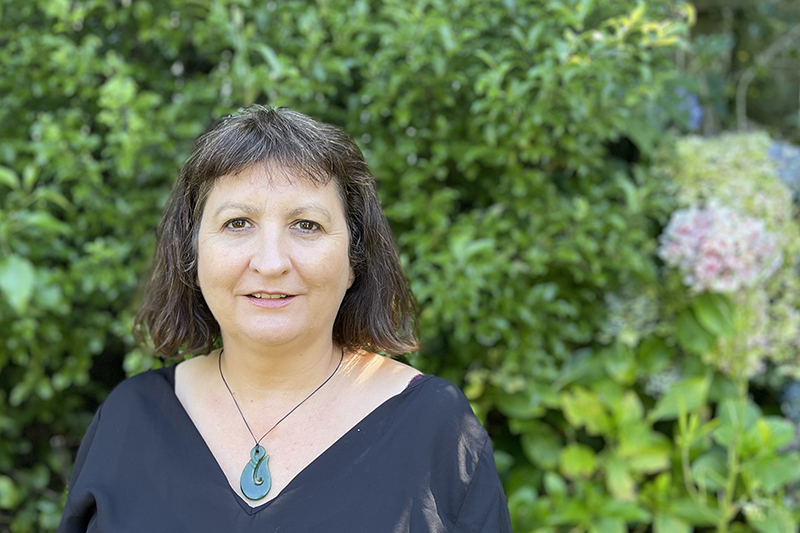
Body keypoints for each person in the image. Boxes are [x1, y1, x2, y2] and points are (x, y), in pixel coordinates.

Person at [58, 106, 512, 532]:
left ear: (354, 258)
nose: (271, 262)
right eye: (238, 223)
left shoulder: (436, 428)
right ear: (192, 253)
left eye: (306, 225)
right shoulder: (127, 420)